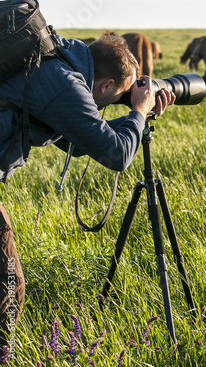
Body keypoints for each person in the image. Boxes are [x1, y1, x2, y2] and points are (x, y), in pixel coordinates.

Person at [0, 32, 175, 351]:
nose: (110, 104)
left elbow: (80, 140)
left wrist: (141, 114)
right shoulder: (66, 86)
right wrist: (137, 113)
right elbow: (117, 155)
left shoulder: (62, 60)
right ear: (106, 86)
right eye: (115, 96)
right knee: (8, 286)